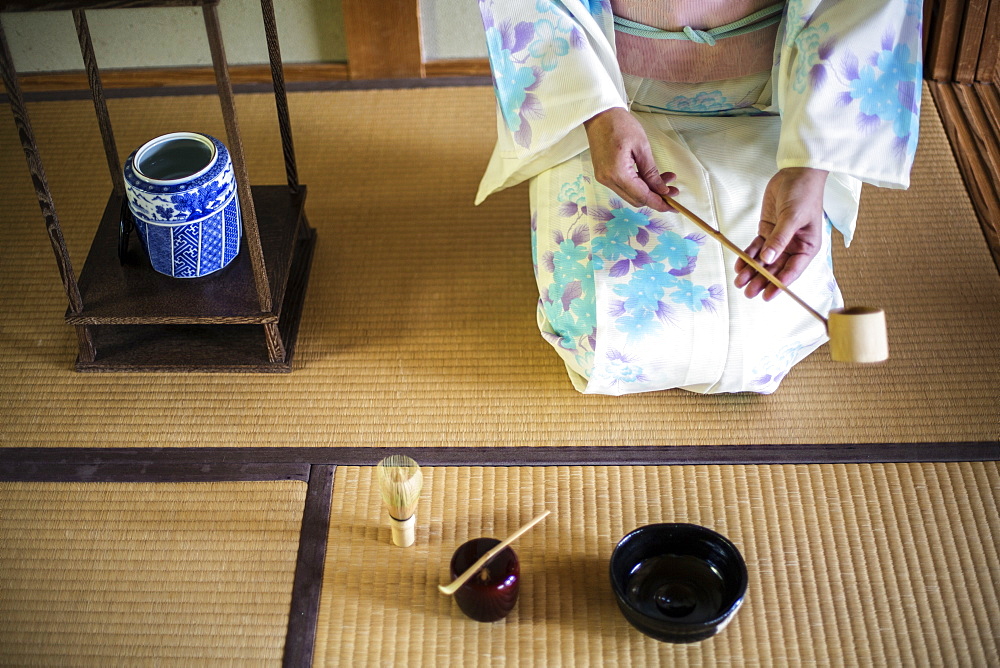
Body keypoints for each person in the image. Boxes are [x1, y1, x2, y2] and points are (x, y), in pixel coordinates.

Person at [476, 0, 923, 394]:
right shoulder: (599, 109)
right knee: (601, 333)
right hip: (607, 96)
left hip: (778, 105)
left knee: (768, 333)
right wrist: (594, 111)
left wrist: (810, 166)